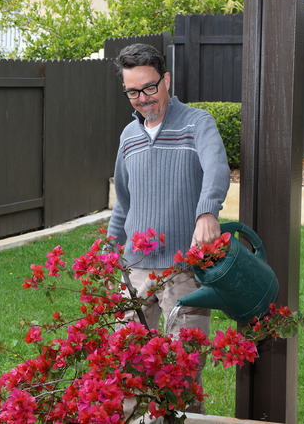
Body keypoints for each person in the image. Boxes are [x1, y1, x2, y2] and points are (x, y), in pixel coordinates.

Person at [108, 43, 231, 416]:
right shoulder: (128, 137)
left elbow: (217, 169)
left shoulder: (197, 123)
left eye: (150, 87)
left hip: (183, 271)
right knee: (124, 366)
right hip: (135, 269)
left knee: (184, 371)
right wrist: (110, 250)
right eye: (133, 92)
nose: (143, 99)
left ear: (166, 80)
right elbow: (123, 201)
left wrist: (207, 213)